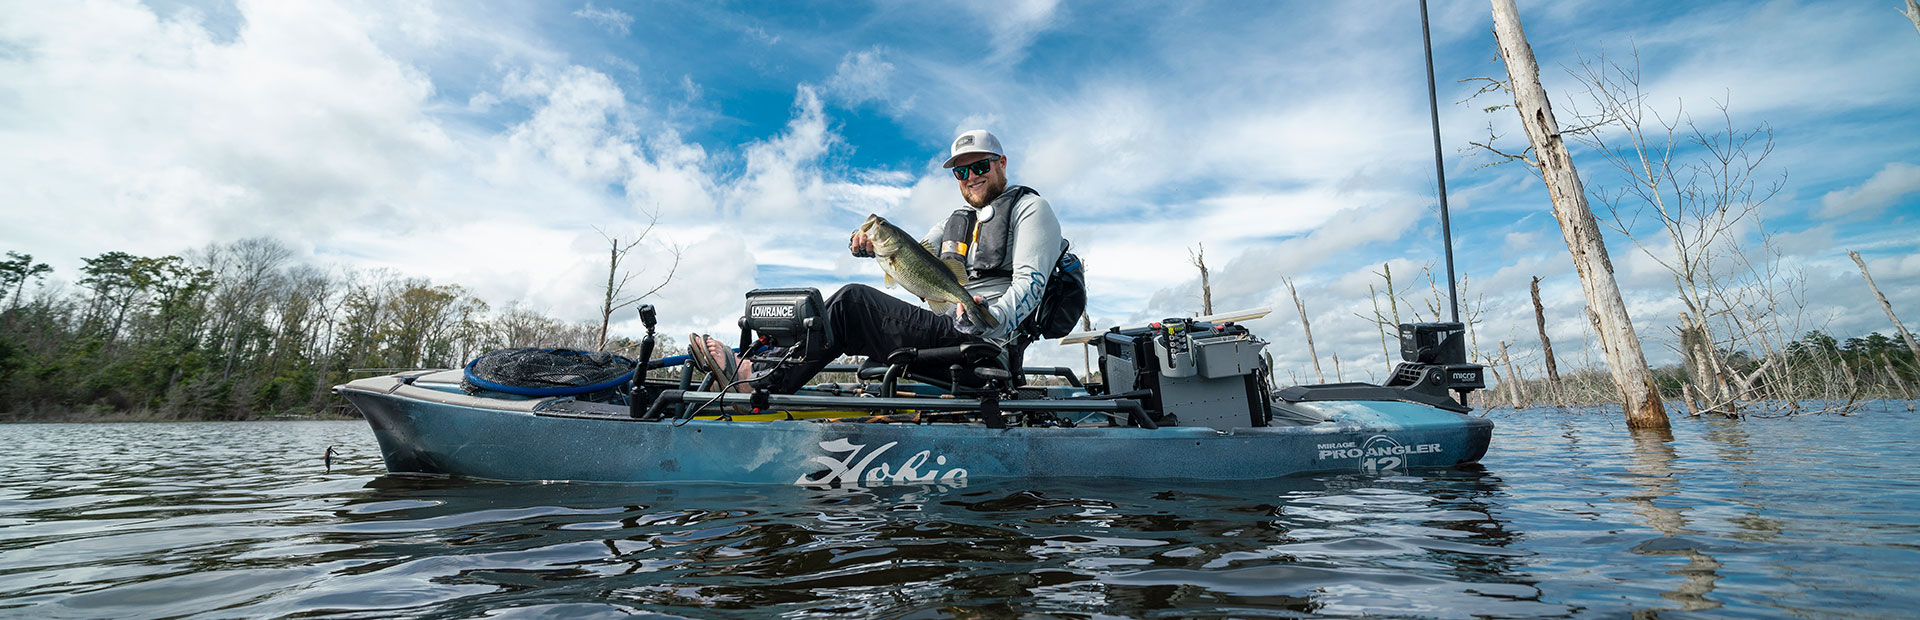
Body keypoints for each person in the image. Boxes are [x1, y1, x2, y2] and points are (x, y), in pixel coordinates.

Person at [692, 129, 1063, 393]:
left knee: (853, 303)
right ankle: (764, 368)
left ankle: (759, 380)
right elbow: (911, 255)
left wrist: (991, 321)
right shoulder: (954, 221)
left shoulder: (1031, 209)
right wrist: (867, 246)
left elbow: (1030, 285)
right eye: (961, 172)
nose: (970, 177)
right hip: (945, 326)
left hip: (982, 345)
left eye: (979, 166)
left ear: (1001, 162)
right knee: (826, 310)